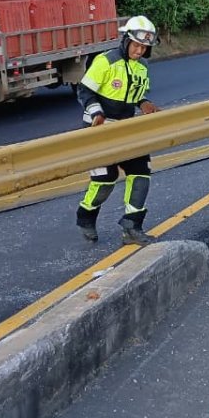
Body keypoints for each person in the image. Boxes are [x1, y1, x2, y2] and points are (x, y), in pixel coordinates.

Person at [75, 15, 162, 245]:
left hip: (127, 127)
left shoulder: (142, 67)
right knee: (106, 179)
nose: (140, 50)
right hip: (99, 129)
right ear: (126, 41)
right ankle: (85, 217)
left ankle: (132, 227)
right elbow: (84, 91)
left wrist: (142, 102)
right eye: (136, 45)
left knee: (141, 171)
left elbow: (133, 93)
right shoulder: (106, 61)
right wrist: (96, 112)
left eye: (144, 47)